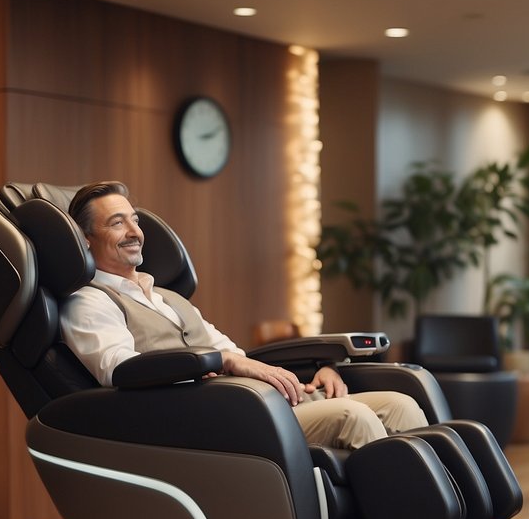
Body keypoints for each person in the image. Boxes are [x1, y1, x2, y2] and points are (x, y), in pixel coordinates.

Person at [59, 180, 428, 449]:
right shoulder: (89, 301)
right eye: (117, 223)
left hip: (254, 401)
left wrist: (309, 372)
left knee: (401, 405)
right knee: (354, 415)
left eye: (134, 220)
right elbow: (118, 369)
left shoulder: (169, 297)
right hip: (211, 418)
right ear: (86, 239)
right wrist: (218, 362)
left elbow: (238, 356)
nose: (135, 232)